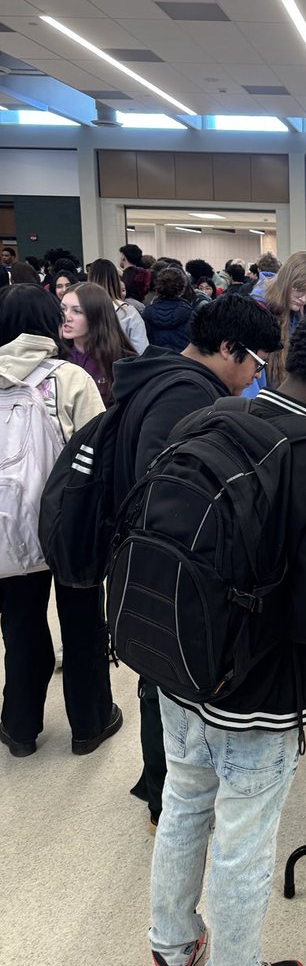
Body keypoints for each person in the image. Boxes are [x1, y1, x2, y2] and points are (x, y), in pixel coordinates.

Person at [148, 310, 306, 966]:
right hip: (258, 690)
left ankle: (172, 957)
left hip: (180, 662)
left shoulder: (210, 419)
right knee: (245, 837)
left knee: (185, 808)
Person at [112, 296, 283, 832]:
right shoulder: (187, 393)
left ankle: (166, 790)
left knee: (161, 677)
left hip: (153, 565)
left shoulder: (167, 375)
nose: (256, 374)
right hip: (167, 571)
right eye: (255, 361)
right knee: (162, 681)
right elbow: (167, 492)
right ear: (229, 348)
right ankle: (166, 800)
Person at [0, 284, 118, 758]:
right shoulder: (69, 378)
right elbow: (101, 456)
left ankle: (19, 727)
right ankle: (89, 724)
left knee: (21, 624)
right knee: (83, 622)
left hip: (9, 525)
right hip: (68, 524)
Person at [59, 282, 136, 407]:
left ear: (97, 315)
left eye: (77, 311)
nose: (66, 317)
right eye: (63, 309)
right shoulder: (56, 355)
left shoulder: (123, 362)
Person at [263, 251, 306, 391]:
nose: (304, 299)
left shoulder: (298, 312)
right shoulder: (259, 309)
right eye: (299, 289)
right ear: (286, 281)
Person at [87, 257, 149, 354]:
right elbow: (142, 349)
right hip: (122, 365)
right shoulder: (128, 312)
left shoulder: (81, 309)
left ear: (90, 279)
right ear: (116, 280)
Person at [143, 268, 194, 353]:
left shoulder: (147, 313)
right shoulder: (189, 313)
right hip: (182, 361)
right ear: (182, 287)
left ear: (157, 286)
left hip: (156, 361)